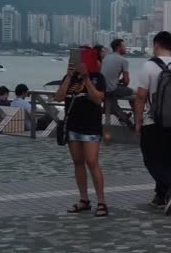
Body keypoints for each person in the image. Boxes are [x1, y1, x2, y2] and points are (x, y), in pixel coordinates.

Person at [134, 31, 171, 216]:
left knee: (150, 159)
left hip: (153, 121)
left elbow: (141, 96)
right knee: (166, 159)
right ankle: (160, 196)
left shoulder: (149, 66)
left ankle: (170, 189)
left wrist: (138, 121)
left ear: (156, 44)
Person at [55, 51, 108, 217]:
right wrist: (70, 76)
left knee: (92, 162)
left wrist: (86, 78)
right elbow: (59, 97)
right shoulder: (68, 77)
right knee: (78, 162)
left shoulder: (97, 78)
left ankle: (102, 201)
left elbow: (98, 99)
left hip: (91, 127)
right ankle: (84, 199)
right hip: (73, 126)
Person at [101, 39, 135, 117]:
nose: (125, 48)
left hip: (103, 89)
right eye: (124, 46)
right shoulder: (123, 60)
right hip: (112, 89)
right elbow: (126, 81)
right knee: (137, 95)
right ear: (119, 47)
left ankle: (124, 117)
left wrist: (118, 81)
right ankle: (137, 119)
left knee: (114, 101)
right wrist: (123, 82)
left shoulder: (106, 57)